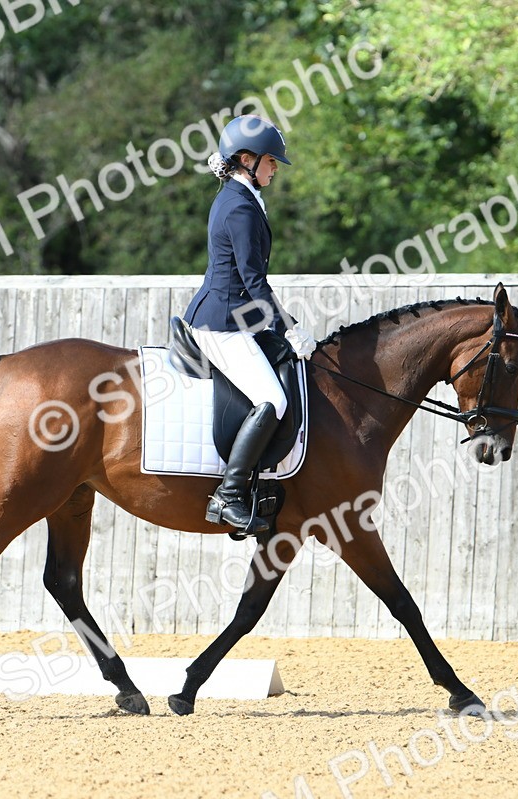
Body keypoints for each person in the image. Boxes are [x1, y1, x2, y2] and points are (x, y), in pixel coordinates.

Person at [183, 115, 317, 533]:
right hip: (222, 323)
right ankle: (229, 494)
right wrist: (288, 327)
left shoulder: (241, 198)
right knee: (272, 399)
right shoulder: (239, 207)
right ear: (247, 159)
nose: (276, 167)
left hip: (235, 316)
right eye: (271, 161)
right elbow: (252, 280)